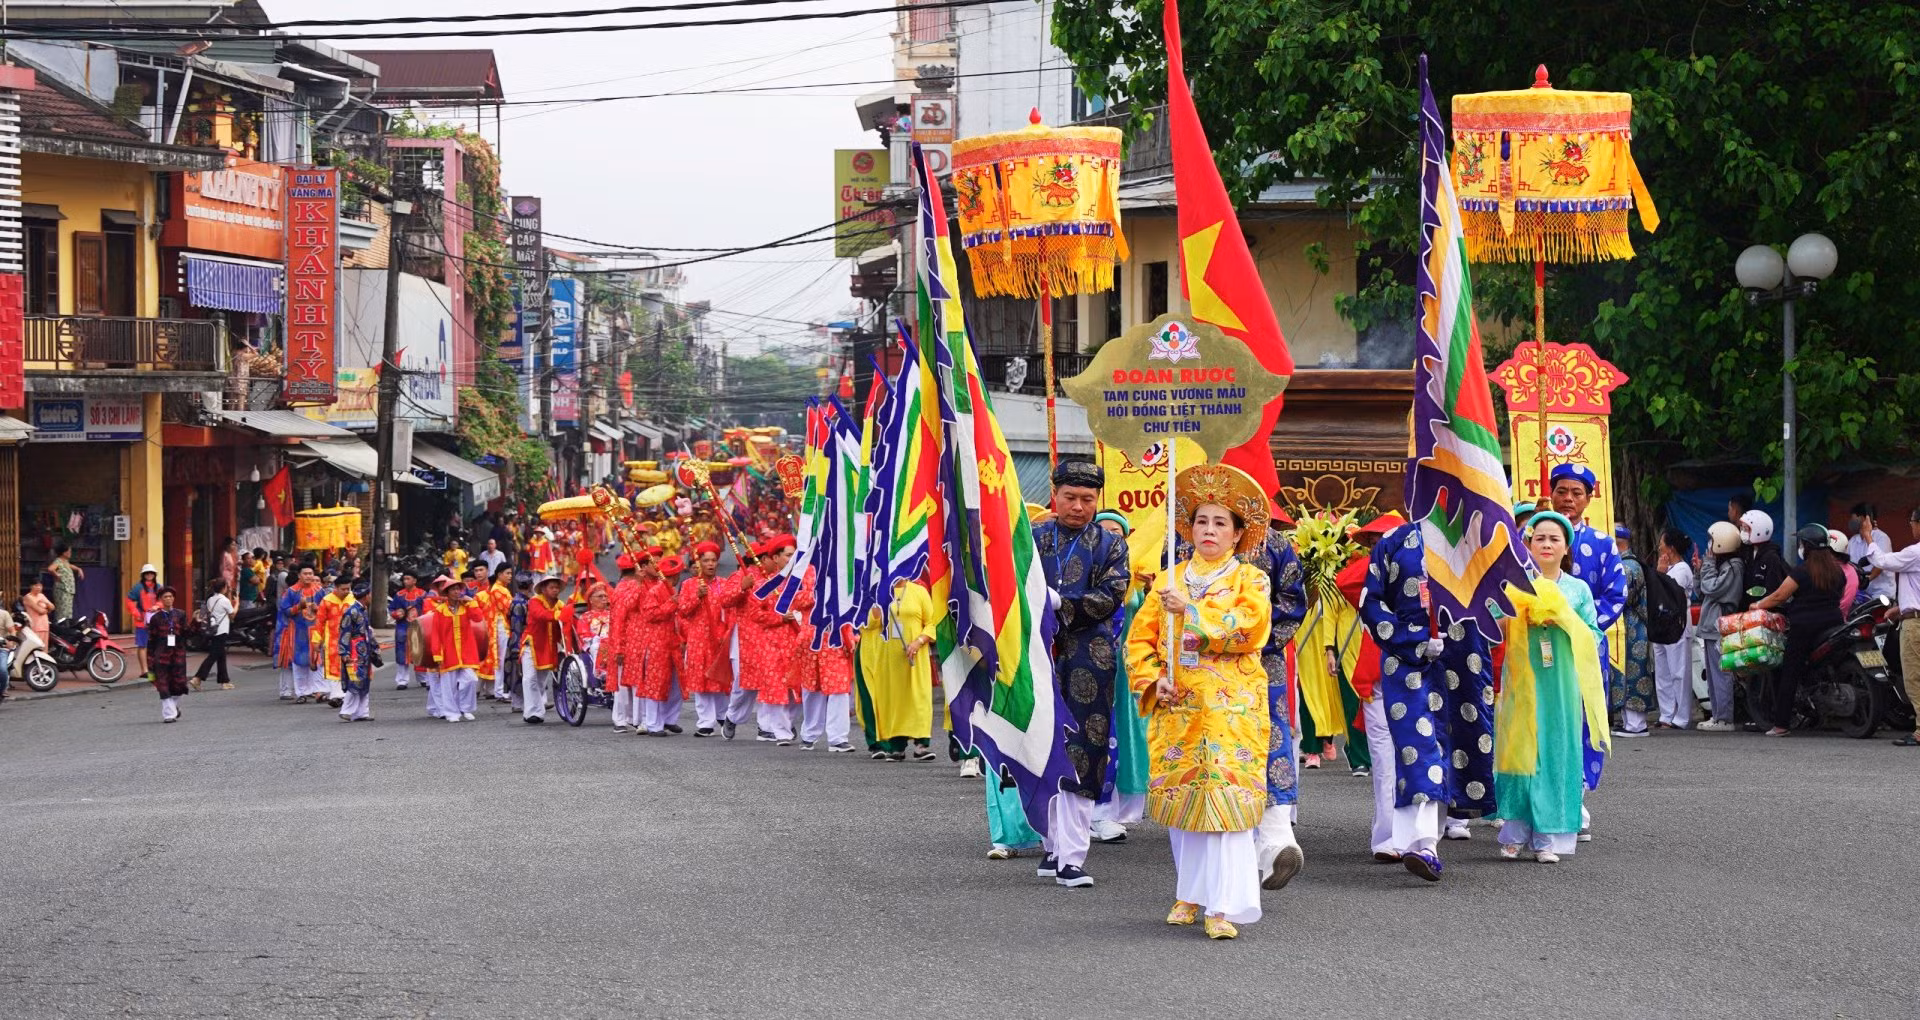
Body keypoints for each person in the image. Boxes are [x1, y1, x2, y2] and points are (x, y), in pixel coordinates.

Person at [1125, 464, 1273, 939]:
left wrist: (1190, 611)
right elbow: (1139, 642)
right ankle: (1190, 891)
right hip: (1179, 708)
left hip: (1232, 710)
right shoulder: (1166, 579)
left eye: (1220, 523)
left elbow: (1251, 629)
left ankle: (1223, 905)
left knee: (1226, 801)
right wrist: (1152, 681)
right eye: (1202, 521)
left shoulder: (1250, 579)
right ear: (1188, 529)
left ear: (1236, 535)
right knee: (1185, 797)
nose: (1209, 531)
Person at [1357, 513, 1498, 880]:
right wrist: (1411, 641)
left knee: (1452, 742)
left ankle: (1427, 840)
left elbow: (1495, 596)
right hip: (1407, 659)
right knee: (1417, 745)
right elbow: (1370, 602)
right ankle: (1423, 842)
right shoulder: (1393, 541)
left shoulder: (1472, 539)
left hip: (1462, 651)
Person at [1028, 459, 1130, 890]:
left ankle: (1072, 856)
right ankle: (1051, 847)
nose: (1077, 506)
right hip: (1037, 652)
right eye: (1070, 497)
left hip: (1091, 655)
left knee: (1083, 749)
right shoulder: (1033, 539)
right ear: (1056, 495)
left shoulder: (1110, 545)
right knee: (1041, 747)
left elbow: (1111, 595)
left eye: (1087, 499)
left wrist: (1060, 604)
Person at [1495, 512, 1609, 861]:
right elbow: (1493, 625)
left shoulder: (1578, 590)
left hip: (1559, 680)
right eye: (1539, 538)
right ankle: (1515, 830)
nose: (1546, 544)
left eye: (1554, 539)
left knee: (1557, 748)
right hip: (1522, 675)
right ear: (1528, 544)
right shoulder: (1513, 585)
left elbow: (1594, 633)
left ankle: (1549, 836)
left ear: (1565, 548)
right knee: (1522, 748)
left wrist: (1562, 619)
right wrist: (1518, 618)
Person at [1548, 463, 1625, 792]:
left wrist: (1578, 624)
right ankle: (1543, 793)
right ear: (1551, 494)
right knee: (1544, 716)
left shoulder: (1604, 544)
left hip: (1587, 646)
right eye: (1561, 491)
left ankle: (1577, 793)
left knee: (1584, 717)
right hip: (1542, 644)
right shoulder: (1534, 541)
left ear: (1589, 498)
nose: (1568, 498)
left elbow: (1616, 594)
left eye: (1576, 493)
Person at [1751, 525, 1846, 737]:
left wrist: (1758, 605)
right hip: (1834, 622)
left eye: (1802, 544)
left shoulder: (1802, 571)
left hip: (1805, 627)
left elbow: (1779, 596)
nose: (1800, 547)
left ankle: (1781, 724)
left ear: (1808, 547)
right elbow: (1838, 595)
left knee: (1789, 672)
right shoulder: (1837, 571)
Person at [857, 577, 937, 761]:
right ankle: (896, 745)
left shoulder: (919, 591)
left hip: (915, 654)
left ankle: (921, 745)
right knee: (894, 698)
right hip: (889, 656)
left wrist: (919, 641)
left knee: (918, 697)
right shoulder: (880, 591)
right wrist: (876, 607)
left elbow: (932, 622)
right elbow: (868, 625)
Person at [1863, 507, 1920, 747]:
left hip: (1915, 624)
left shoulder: (1914, 552)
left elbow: (1883, 561)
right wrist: (1901, 607)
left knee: (1915, 677)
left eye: (1912, 521)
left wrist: (1868, 537)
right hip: (1911, 614)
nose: (1911, 526)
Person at [676, 542, 734, 737]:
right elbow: (683, 611)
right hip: (699, 638)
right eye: (706, 560)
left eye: (713, 560)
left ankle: (722, 715)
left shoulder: (725, 584)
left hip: (720, 637)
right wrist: (696, 598)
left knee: (720, 677)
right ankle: (705, 722)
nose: (710, 564)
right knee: (702, 679)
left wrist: (726, 633)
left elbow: (732, 610)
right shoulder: (689, 585)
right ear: (698, 562)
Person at [1695, 523, 1745, 732]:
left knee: (1721, 673)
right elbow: (1701, 590)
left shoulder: (1733, 567)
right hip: (1711, 625)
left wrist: (1706, 565)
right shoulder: (1721, 565)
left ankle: (1724, 718)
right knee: (1714, 673)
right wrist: (1701, 569)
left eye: (1712, 541)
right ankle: (1717, 715)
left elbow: (1712, 588)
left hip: (1720, 626)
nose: (1710, 546)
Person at [422, 577, 490, 723]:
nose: (456, 592)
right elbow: (436, 635)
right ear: (447, 593)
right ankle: (451, 712)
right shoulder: (440, 610)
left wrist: (471, 602)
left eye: (458, 589)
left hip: (466, 652)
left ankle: (466, 708)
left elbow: (478, 618)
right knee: (448, 686)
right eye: (453, 589)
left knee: (470, 680)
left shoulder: (466, 607)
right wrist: (437, 656)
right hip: (448, 653)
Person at [1652, 528, 1696, 729]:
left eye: (1662, 543)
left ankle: (1682, 716)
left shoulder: (1682, 569)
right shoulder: (1668, 569)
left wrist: (1659, 573)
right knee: (1662, 671)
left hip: (1676, 623)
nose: (1659, 546)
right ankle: (1666, 714)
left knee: (1679, 671)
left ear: (1670, 548)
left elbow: (1667, 593)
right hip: (1661, 623)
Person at [1611, 547, 1656, 738]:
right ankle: (1630, 722)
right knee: (1627, 671)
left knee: (1633, 673)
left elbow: (1622, 596)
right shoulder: (1627, 563)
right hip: (1629, 627)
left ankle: (1636, 724)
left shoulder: (1628, 565)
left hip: (1633, 628)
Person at [602, 554, 646, 733]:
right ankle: (621, 719)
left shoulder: (632, 586)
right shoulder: (623, 590)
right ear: (637, 569)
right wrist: (619, 646)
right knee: (624, 682)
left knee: (633, 681)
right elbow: (619, 620)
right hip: (626, 640)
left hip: (635, 639)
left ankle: (631, 718)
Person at [274, 566, 324, 702]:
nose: (308, 576)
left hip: (315, 631)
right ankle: (301, 693)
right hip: (298, 631)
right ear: (299, 575)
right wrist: (298, 608)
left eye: (310, 573)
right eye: (305, 573)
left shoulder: (319, 591)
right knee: (299, 663)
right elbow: (285, 611)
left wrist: (318, 609)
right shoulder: (291, 592)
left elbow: (326, 610)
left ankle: (320, 691)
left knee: (317, 661)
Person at [522, 575, 567, 724]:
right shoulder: (534, 601)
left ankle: (537, 711)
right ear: (543, 589)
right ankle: (531, 712)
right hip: (532, 644)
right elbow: (539, 615)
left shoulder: (560, 604)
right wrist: (559, 614)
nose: (555, 590)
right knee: (529, 679)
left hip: (548, 646)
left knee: (540, 681)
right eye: (551, 587)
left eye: (556, 587)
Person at [146, 587, 191, 722]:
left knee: (179, 684)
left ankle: (173, 707)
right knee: (163, 684)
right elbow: (151, 639)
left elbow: (187, 633)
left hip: (178, 653)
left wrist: (197, 623)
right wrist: (150, 659)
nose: (169, 599)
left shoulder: (180, 615)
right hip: (161, 655)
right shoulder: (155, 618)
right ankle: (169, 714)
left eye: (171, 596)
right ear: (160, 599)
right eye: (165, 597)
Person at [335, 587, 377, 722]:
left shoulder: (362, 610)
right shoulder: (351, 612)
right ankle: (346, 710)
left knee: (365, 680)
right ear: (366, 596)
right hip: (354, 648)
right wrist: (344, 651)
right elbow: (344, 632)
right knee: (355, 679)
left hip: (363, 648)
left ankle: (362, 712)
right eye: (370, 594)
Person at [315, 575, 355, 708]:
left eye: (348, 589)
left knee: (350, 666)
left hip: (351, 639)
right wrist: (317, 640)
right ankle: (337, 695)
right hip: (332, 639)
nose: (346, 591)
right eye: (343, 589)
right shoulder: (326, 600)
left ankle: (347, 695)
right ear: (336, 588)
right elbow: (319, 622)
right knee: (334, 667)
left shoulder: (352, 599)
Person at [388, 570, 429, 690]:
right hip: (402, 627)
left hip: (419, 627)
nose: (406, 581)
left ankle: (423, 678)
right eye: (404, 579)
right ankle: (402, 680)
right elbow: (391, 609)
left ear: (415, 580)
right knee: (401, 653)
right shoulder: (399, 594)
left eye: (408, 579)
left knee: (420, 652)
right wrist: (396, 614)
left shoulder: (422, 594)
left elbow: (427, 609)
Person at [1848, 502, 1896, 603]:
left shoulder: (1881, 537)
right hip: (1861, 594)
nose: (1851, 521)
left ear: (1864, 518)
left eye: (1854, 517)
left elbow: (1880, 564)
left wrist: (1867, 580)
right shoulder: (1853, 541)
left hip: (1881, 593)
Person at [193, 578, 234, 692]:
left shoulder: (210, 599)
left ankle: (224, 681)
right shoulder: (225, 600)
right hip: (221, 630)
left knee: (221, 656)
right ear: (223, 588)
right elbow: (232, 615)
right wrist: (237, 602)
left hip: (213, 630)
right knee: (213, 656)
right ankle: (198, 677)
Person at [126, 564, 162, 680]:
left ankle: (154, 670)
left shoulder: (159, 587)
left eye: (151, 573)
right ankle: (144, 671)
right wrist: (136, 613)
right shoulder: (138, 587)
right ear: (143, 575)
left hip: (157, 620)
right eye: (147, 573)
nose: (149, 575)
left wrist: (157, 606)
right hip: (142, 621)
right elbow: (129, 601)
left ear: (154, 574)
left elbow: (165, 599)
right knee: (143, 646)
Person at [49, 542, 83, 622]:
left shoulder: (65, 562)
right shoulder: (58, 561)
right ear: (64, 552)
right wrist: (56, 575)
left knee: (68, 611)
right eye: (69, 551)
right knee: (62, 611)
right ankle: (61, 627)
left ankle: (66, 626)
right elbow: (50, 569)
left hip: (68, 590)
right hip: (62, 589)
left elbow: (71, 566)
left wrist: (79, 569)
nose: (70, 553)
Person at [21, 580, 52, 648]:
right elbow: (40, 611)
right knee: (37, 647)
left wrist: (45, 604)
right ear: (31, 586)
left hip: (44, 624)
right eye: (36, 585)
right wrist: (47, 609)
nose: (38, 587)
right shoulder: (28, 597)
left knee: (44, 647)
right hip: (35, 625)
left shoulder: (42, 595)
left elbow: (52, 607)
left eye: (40, 586)